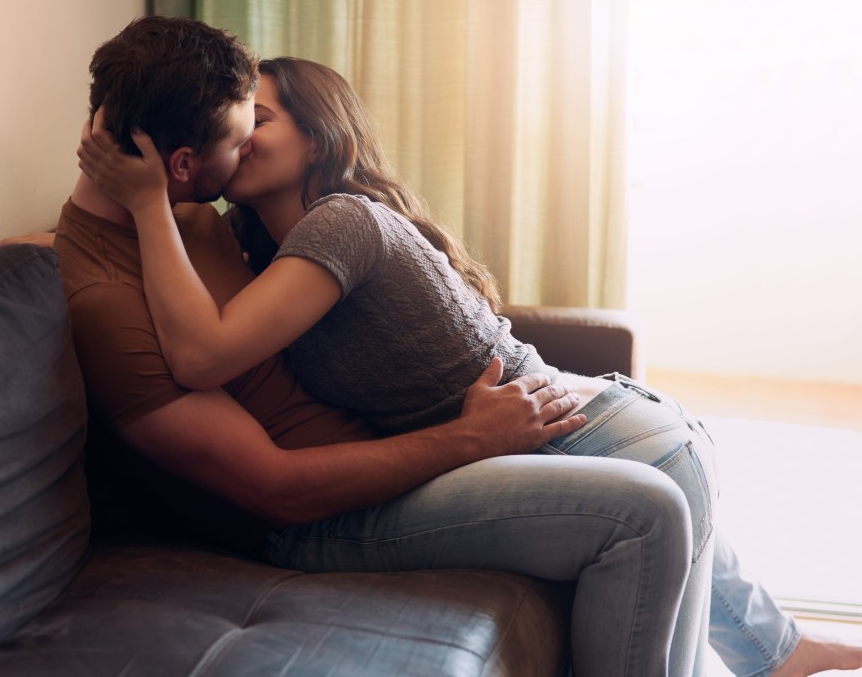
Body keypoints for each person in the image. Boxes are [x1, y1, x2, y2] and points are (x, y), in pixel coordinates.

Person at [73, 46, 862, 677]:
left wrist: (143, 204)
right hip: (608, 425)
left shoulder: (338, 224)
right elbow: (173, 304)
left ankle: (781, 654)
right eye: (235, 126)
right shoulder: (250, 246)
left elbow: (203, 347)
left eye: (261, 121)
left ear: (317, 136)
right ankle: (781, 652)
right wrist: (100, 222)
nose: (240, 138)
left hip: (594, 433)